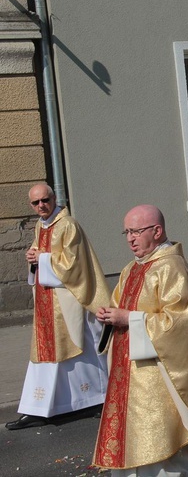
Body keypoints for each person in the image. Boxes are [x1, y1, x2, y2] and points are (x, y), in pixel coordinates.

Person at [92, 205, 188, 475]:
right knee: (132, 444)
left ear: (157, 231)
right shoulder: (130, 269)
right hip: (130, 379)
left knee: (163, 448)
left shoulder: (171, 268)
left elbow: (179, 324)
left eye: (136, 231)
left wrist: (129, 319)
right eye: (127, 232)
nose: (130, 238)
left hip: (159, 379)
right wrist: (109, 316)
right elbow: (120, 308)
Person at [6, 184, 110, 431]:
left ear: (54, 199)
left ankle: (96, 398)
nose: (41, 205)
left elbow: (73, 264)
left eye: (45, 200)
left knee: (77, 347)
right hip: (46, 298)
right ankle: (39, 406)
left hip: (68, 298)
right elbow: (39, 255)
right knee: (47, 352)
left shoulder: (67, 225)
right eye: (36, 203)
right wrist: (33, 259)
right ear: (31, 206)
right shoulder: (41, 225)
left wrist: (40, 258)